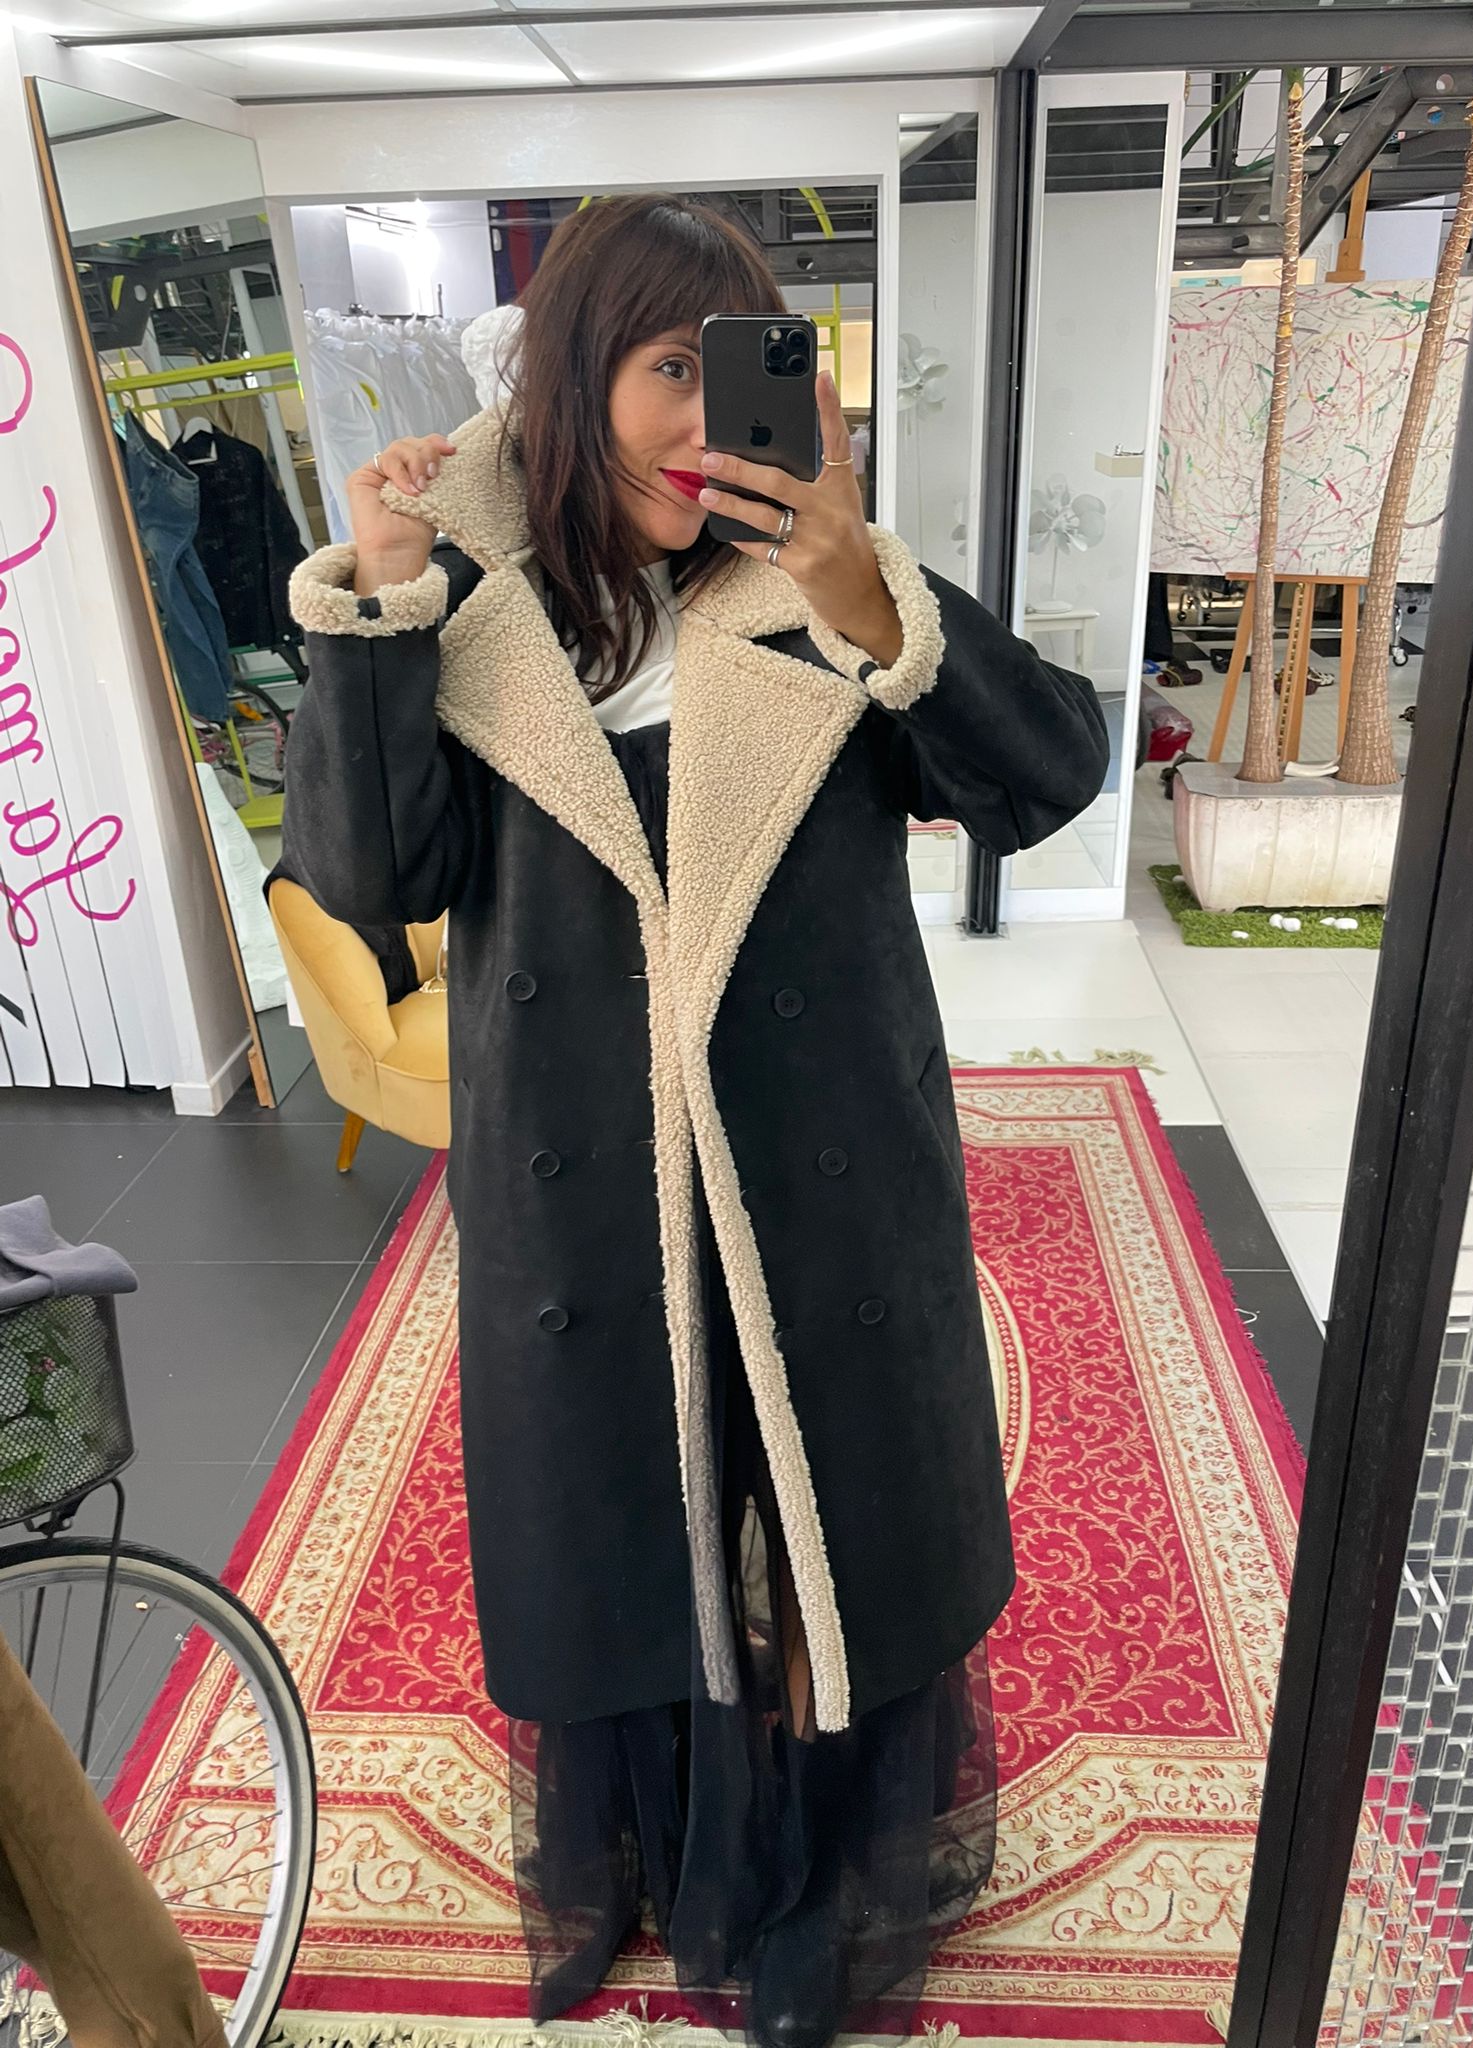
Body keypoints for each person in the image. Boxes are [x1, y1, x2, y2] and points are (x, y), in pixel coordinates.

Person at [282, 194, 1109, 2048]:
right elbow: (366, 877)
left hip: (822, 1164)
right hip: (584, 1183)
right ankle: (649, 1849)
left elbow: (1049, 776)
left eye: (732, 373)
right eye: (668, 370)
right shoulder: (475, 605)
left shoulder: (822, 589)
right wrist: (383, 603)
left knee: (827, 1520)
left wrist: (867, 592)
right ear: (578, 378)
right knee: (625, 1516)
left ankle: (819, 1889)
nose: (704, 424)